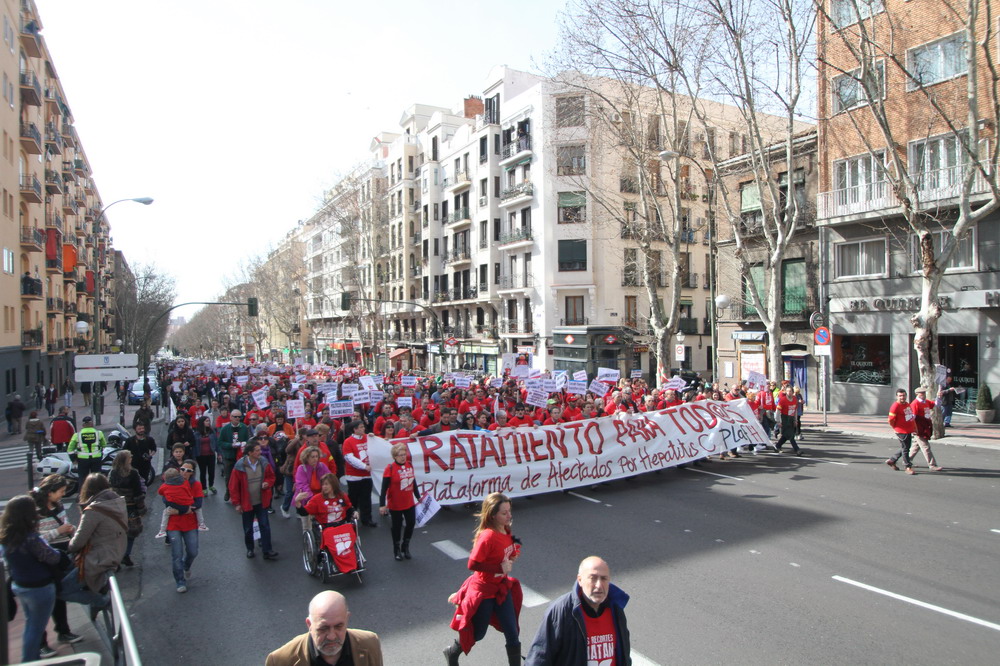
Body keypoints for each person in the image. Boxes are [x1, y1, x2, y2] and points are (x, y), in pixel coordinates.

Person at [444, 492, 523, 665]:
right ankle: (452, 652)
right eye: (504, 513)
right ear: (493, 515)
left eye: (509, 511)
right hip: (484, 591)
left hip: (501, 589)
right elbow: (472, 564)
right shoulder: (487, 536)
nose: (509, 516)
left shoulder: (505, 528)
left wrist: (512, 555)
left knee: (512, 632)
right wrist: (498, 568)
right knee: (478, 634)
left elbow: (504, 550)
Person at [0, 495, 74, 661]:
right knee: (36, 626)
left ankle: (31, 659)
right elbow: (52, 557)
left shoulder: (6, 537)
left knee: (31, 624)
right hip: (39, 587)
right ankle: (29, 660)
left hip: (20, 585)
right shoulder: (31, 538)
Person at [525, 556, 631, 666]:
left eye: (604, 578)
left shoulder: (615, 609)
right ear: (580, 580)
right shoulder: (561, 611)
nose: (599, 585)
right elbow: (539, 658)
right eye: (593, 578)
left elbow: (624, 655)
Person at [29, 476, 82, 654]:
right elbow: (34, 540)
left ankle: (63, 631)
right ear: (50, 492)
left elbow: (64, 525)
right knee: (42, 605)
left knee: (59, 597)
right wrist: (57, 531)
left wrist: (70, 529)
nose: (63, 495)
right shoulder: (34, 512)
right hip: (46, 558)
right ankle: (41, 643)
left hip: (61, 554)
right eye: (60, 492)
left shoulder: (58, 506)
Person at [265, 590, 382, 666]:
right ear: (309, 625)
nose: (331, 636)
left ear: (347, 619)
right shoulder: (279, 661)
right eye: (323, 628)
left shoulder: (370, 643)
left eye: (338, 626)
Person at [67, 474, 127, 601]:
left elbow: (78, 542)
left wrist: (69, 543)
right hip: (117, 550)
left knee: (62, 589)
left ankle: (99, 601)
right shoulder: (118, 501)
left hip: (98, 557)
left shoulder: (94, 510)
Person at [228, 439, 279, 560]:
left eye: (259, 450)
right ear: (249, 453)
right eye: (257, 450)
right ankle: (250, 549)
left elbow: (271, 476)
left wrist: (268, 483)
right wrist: (237, 503)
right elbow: (233, 487)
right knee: (248, 528)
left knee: (265, 525)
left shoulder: (263, 463)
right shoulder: (239, 467)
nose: (259, 452)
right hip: (247, 503)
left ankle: (267, 550)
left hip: (261, 501)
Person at [159, 463, 202, 592]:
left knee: (193, 551)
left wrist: (179, 510)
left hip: (190, 523)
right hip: (174, 524)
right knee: (176, 554)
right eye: (182, 469)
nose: (184, 472)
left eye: (188, 470)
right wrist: (185, 509)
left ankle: (186, 565)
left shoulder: (195, 485)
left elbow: (197, 504)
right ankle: (180, 581)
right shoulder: (169, 485)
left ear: (192, 472)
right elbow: (167, 502)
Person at [379, 442, 420, 561]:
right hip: (395, 503)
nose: (403, 457)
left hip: (408, 502)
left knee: (411, 523)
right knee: (396, 527)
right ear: (395, 457)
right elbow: (384, 488)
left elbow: (413, 482)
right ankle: (396, 549)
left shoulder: (409, 465)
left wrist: (418, 496)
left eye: (404, 454)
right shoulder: (390, 468)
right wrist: (382, 505)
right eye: (400, 455)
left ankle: (405, 546)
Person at [108, 451, 145, 568]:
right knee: (131, 532)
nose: (131, 459)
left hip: (115, 506)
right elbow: (138, 492)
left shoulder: (112, 473)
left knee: (117, 533)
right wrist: (141, 508)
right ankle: (126, 554)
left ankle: (117, 558)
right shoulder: (133, 473)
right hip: (130, 506)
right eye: (130, 457)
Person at [342, 420, 376, 527]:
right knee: (353, 499)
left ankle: (367, 519)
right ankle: (350, 518)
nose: (363, 429)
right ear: (355, 429)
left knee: (366, 498)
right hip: (354, 476)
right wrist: (364, 466)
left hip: (367, 475)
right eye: (360, 427)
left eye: (363, 427)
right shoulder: (348, 441)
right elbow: (349, 458)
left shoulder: (367, 438)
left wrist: (373, 437)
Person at [291, 446, 332, 527]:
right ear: (306, 458)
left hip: (322, 497)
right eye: (312, 457)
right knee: (307, 525)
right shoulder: (301, 469)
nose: (315, 459)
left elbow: (329, 479)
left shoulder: (322, 466)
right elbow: (302, 486)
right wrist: (314, 499)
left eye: (317, 456)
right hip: (307, 499)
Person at [218, 409, 251, 501]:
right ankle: (228, 491)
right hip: (229, 456)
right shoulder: (225, 428)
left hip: (241, 456)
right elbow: (220, 442)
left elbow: (248, 440)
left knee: (241, 476)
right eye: (235, 417)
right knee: (228, 476)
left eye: (239, 417)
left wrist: (244, 443)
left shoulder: (244, 427)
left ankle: (240, 493)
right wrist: (230, 445)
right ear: (231, 417)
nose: (237, 418)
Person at [909, 387, 943, 471]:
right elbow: (913, 417)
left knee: (915, 447)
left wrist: (938, 397)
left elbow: (936, 404)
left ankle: (907, 460)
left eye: (924, 393)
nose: (923, 395)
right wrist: (914, 429)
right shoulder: (915, 404)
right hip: (919, 429)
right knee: (926, 447)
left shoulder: (926, 402)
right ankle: (932, 464)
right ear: (917, 394)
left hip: (925, 427)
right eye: (921, 393)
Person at [66, 415, 108, 481]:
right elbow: (104, 445)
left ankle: (83, 490)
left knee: (83, 479)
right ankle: (97, 491)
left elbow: (70, 449)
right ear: (92, 424)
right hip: (96, 459)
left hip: (82, 460)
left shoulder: (77, 435)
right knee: (97, 479)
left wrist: (73, 459)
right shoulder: (99, 433)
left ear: (83, 425)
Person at [886, 388, 917, 475]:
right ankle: (908, 467)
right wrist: (895, 427)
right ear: (897, 396)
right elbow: (890, 420)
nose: (902, 397)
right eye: (900, 396)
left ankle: (892, 460)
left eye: (903, 395)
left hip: (908, 430)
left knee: (906, 447)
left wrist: (914, 427)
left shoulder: (907, 404)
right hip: (901, 431)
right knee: (906, 449)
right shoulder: (895, 406)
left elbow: (911, 417)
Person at [124, 422, 157, 487]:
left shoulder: (149, 439)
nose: (142, 430)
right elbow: (124, 451)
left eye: (142, 428)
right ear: (135, 430)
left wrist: (150, 455)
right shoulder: (129, 440)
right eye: (139, 429)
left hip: (145, 465)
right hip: (133, 465)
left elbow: (154, 449)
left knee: (144, 483)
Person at [193, 416, 219, 494]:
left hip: (211, 454)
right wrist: (194, 457)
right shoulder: (197, 434)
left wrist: (219, 453)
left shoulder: (212, 432)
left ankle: (211, 485)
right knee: (203, 472)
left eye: (209, 421)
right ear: (202, 422)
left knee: (211, 471)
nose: (208, 422)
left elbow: (216, 442)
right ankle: (204, 487)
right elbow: (194, 446)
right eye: (206, 421)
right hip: (201, 455)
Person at [774, 386, 802, 456]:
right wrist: (778, 421)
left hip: (791, 419)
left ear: (793, 392)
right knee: (791, 435)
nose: (789, 393)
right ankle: (797, 449)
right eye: (787, 391)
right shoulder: (783, 400)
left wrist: (795, 420)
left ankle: (777, 445)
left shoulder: (795, 399)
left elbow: (795, 410)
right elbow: (778, 411)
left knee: (786, 435)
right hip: (785, 419)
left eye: (790, 391)